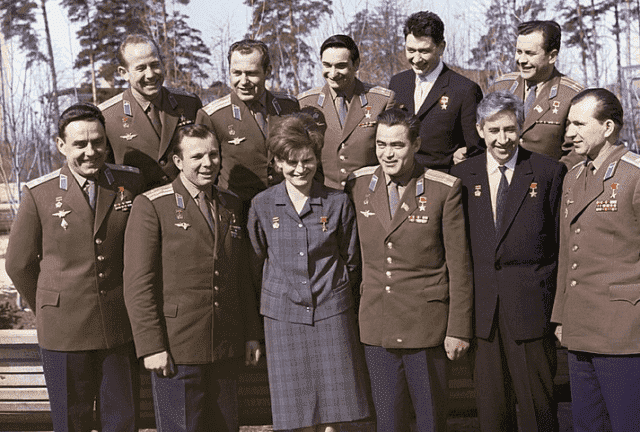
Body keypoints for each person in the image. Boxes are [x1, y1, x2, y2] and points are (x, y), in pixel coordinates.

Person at [6, 103, 144, 432]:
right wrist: (51, 303)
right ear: (61, 145)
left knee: (122, 421)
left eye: (97, 142)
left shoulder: (129, 184)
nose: (90, 151)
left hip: (118, 326)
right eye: (79, 144)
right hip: (64, 329)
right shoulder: (40, 193)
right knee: (72, 421)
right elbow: (19, 264)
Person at [123, 124, 262, 432]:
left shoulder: (231, 203)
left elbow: (241, 278)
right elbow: (138, 283)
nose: (207, 163)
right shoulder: (152, 205)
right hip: (177, 348)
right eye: (197, 156)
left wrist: (251, 332)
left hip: (226, 345)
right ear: (178, 161)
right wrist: (151, 346)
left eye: (214, 154)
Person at [347, 107, 473, 432]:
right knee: (388, 422)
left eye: (397, 145)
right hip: (378, 325)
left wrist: (458, 328)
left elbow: (459, 267)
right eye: (381, 144)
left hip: (426, 326)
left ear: (415, 144)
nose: (387, 154)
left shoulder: (443, 190)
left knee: (431, 421)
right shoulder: (358, 185)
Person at [451, 91, 566, 432]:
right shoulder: (461, 175)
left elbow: (560, 246)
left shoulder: (547, 172)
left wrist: (558, 312)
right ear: (479, 130)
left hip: (531, 312)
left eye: (510, 129)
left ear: (521, 127)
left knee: (538, 412)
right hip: (483, 317)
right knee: (492, 414)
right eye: (494, 130)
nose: (503, 139)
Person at [247, 112, 370, 431]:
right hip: (283, 317)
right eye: (291, 162)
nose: (300, 169)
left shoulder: (337, 202)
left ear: (317, 158)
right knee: (295, 416)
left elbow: (351, 259)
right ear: (277, 163)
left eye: (307, 160)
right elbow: (257, 259)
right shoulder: (262, 204)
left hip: (331, 313)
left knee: (335, 417)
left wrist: (334, 292)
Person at [552, 88, 640, 432]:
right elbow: (566, 250)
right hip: (579, 327)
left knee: (626, 424)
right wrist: (560, 316)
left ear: (607, 127)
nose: (569, 133)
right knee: (587, 424)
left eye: (578, 124)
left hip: (624, 330)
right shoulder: (573, 178)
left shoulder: (634, 175)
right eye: (568, 123)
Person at [196, 39, 299, 204]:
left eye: (251, 73)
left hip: (287, 206)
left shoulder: (288, 106)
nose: (243, 82)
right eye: (236, 73)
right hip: (238, 209)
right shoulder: (212, 116)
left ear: (268, 71)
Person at [100, 33, 203, 190]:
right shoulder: (107, 117)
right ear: (124, 73)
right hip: (139, 208)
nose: (150, 74)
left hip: (188, 202)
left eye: (155, 65)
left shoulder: (189, 103)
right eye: (141, 68)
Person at [389, 11, 483, 172]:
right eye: (411, 50)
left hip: (443, 184)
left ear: (441, 47)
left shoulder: (465, 90)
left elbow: (475, 150)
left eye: (424, 51)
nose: (416, 59)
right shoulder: (397, 83)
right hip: (401, 181)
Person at [298, 34, 395, 190]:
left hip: (368, 194)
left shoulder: (381, 101)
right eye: (327, 65)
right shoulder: (305, 103)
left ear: (356, 64)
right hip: (323, 197)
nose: (333, 73)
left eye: (340, 66)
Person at [486, 21, 583, 168]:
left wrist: (554, 177)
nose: (521, 60)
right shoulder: (500, 87)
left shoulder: (572, 96)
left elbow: (579, 150)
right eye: (519, 52)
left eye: (530, 53)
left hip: (546, 185)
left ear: (552, 56)